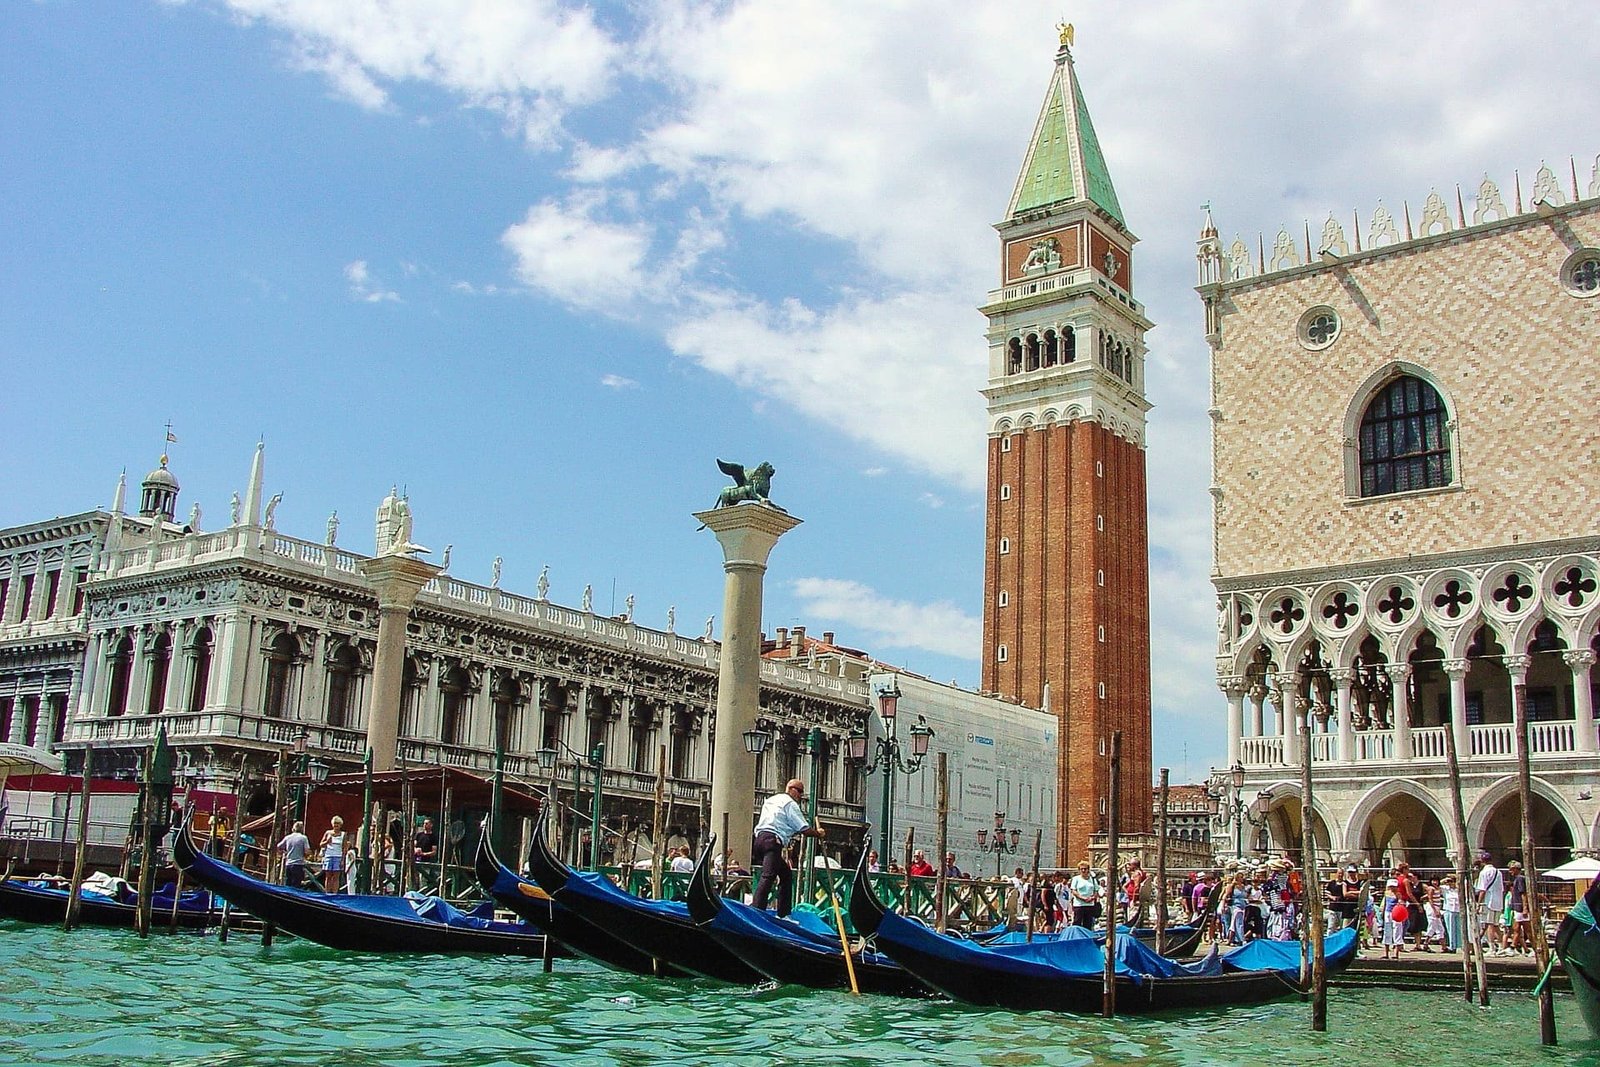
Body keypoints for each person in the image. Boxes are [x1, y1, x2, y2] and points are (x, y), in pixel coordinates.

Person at [749, 778, 823, 917]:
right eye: (799, 791)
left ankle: (783, 914)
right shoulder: (790, 803)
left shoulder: (771, 800)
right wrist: (818, 833)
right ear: (790, 789)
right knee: (768, 875)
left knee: (786, 874)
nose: (800, 795)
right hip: (772, 841)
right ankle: (757, 911)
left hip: (759, 840)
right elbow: (804, 828)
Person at [1474, 851, 1505, 956]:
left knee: (1489, 925)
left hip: (1489, 901)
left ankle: (1492, 948)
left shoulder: (1484, 873)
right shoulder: (1498, 872)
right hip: (1498, 901)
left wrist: (1479, 903)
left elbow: (1482, 890)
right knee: (1496, 925)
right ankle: (1501, 947)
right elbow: (1502, 889)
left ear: (1482, 861)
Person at [1506, 860, 1530, 955]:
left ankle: (1514, 947)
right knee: (1517, 928)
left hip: (1520, 907)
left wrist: (1525, 907)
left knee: (1526, 930)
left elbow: (1523, 894)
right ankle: (1514, 947)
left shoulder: (1520, 879)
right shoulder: (1517, 879)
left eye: (1511, 869)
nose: (1510, 871)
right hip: (1517, 907)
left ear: (1516, 869)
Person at [278, 820, 311, 888]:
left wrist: (284, 852)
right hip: (298, 864)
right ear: (302, 829)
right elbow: (307, 851)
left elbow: (278, 846)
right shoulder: (303, 838)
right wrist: (309, 854)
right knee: (296, 884)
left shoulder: (288, 837)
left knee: (288, 883)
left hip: (288, 863)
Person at [1069, 861, 1102, 929]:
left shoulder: (1093, 879)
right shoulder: (1076, 879)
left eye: (1085, 869)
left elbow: (1096, 890)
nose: (1083, 870)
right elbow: (1073, 891)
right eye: (1082, 869)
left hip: (1090, 904)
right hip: (1079, 904)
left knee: (1088, 924)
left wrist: (1092, 898)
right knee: (1077, 922)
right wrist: (1082, 898)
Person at [319, 815, 347, 894]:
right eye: (335, 823)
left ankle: (334, 893)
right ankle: (327, 893)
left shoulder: (343, 834)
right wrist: (327, 841)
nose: (336, 825)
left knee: (336, 876)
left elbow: (344, 848)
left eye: (338, 824)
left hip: (338, 856)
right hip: (328, 856)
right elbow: (321, 844)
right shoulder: (328, 833)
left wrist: (342, 860)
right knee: (328, 876)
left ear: (340, 825)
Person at [413, 817, 438, 890]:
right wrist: (416, 850)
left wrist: (423, 854)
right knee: (414, 879)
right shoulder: (419, 835)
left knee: (423, 881)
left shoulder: (433, 837)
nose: (424, 825)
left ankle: (422, 894)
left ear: (431, 825)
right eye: (424, 823)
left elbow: (434, 852)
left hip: (426, 862)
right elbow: (413, 846)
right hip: (415, 861)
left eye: (426, 823)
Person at [1441, 873, 1462, 953]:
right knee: (1450, 928)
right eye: (1449, 881)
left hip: (1458, 910)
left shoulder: (1459, 889)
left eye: (1452, 881)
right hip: (1449, 910)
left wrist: (1456, 878)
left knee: (1458, 929)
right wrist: (1446, 879)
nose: (1450, 883)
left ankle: (1460, 945)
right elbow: (1438, 884)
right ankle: (1452, 946)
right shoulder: (1445, 889)